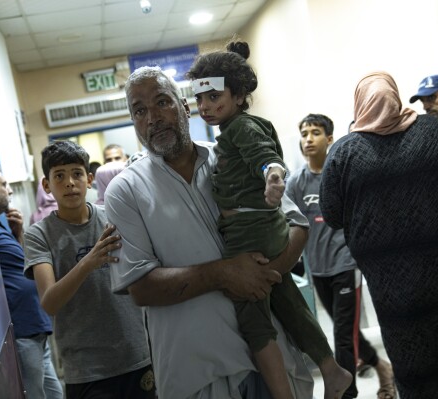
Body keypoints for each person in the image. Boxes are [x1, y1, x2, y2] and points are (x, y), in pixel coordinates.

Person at [105, 65, 341, 399]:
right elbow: (141, 288)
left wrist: (264, 274)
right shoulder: (125, 191)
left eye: (162, 102)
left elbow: (297, 225)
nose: (153, 118)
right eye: (139, 111)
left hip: (272, 359)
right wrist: (226, 273)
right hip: (197, 373)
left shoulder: (231, 154)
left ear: (185, 106)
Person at [320, 71, 438, 398]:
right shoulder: (434, 131)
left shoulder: (344, 154)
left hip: (397, 290)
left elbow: (331, 215)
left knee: (414, 366)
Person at [185, 41, 351, 399]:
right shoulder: (230, 131)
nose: (206, 107)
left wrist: (273, 176)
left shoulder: (242, 127)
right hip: (262, 228)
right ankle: (331, 369)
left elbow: (265, 158)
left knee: (252, 317)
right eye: (200, 101)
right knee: (287, 301)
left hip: (251, 233)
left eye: (214, 97)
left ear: (240, 94)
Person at [23, 141, 154, 399]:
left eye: (77, 173)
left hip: (137, 356)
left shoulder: (113, 217)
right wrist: (87, 262)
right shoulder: (38, 235)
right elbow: (49, 303)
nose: (70, 182)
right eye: (59, 176)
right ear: (47, 186)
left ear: (89, 179)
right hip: (86, 369)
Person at [285, 114, 395, 399]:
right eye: (305, 132)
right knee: (346, 331)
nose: (308, 138)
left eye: (316, 133)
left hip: (346, 266)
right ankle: (383, 367)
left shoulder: (341, 176)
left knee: (342, 338)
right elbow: (286, 222)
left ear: (330, 139)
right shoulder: (296, 182)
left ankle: (346, 393)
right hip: (318, 271)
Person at [0, 163, 62, 399]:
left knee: (54, 393)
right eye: (3, 185)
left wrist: (18, 235)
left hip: (35, 326)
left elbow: (20, 266)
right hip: (22, 328)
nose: (10, 190)